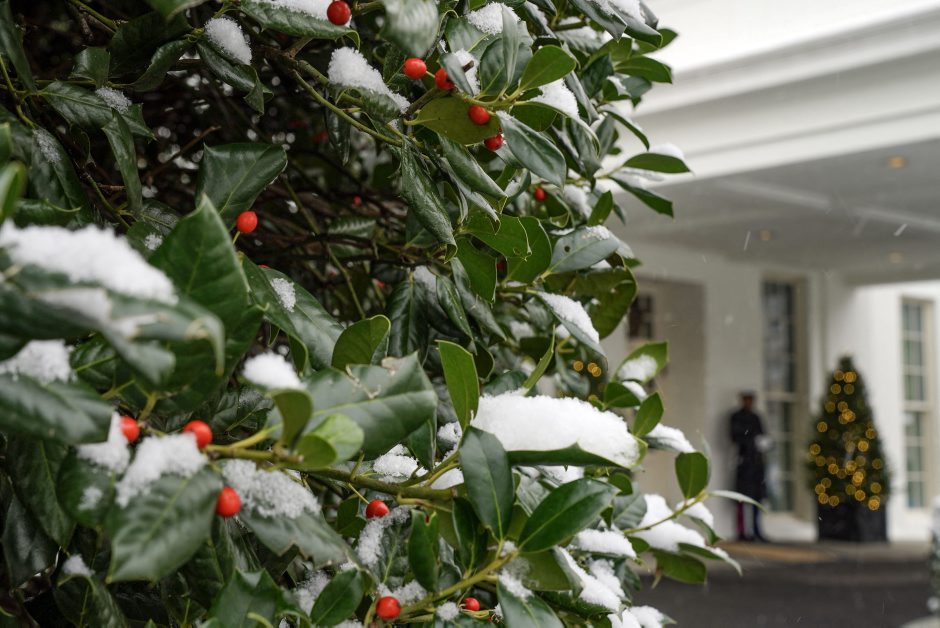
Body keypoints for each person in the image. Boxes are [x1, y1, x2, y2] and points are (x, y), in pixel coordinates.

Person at [730, 391, 768, 541]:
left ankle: (756, 529)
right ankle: (742, 531)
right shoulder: (736, 417)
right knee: (741, 497)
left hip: (756, 462)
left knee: (757, 497)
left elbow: (762, 435)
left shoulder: (756, 417)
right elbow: (735, 437)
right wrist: (751, 440)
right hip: (744, 461)